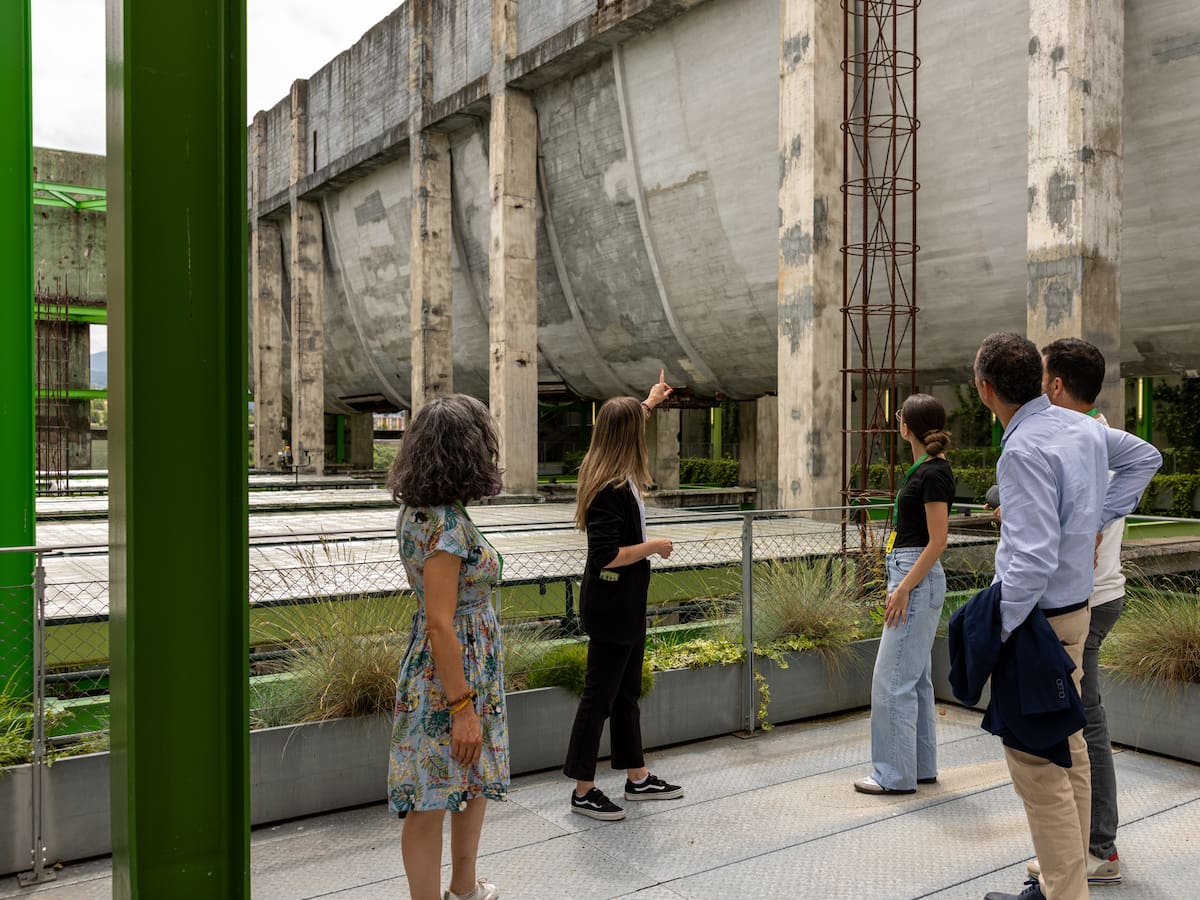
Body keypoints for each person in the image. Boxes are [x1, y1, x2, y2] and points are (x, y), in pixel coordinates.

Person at [972, 334, 1160, 900]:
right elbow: (1145, 456)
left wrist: (993, 633)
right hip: (1075, 613)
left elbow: (1028, 562)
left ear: (985, 391)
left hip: (1039, 623)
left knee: (1039, 768)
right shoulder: (1082, 429)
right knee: (1071, 749)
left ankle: (1064, 891)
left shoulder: (1024, 448)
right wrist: (1094, 517)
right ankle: (1065, 880)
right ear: (1038, 378)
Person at [386, 394, 508, 900]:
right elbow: (440, 621)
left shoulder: (418, 512)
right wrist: (462, 708)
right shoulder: (449, 527)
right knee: (431, 797)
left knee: (464, 782)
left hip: (448, 664)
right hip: (453, 675)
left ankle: (463, 885)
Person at [1020, 338, 1127, 886]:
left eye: (1042, 376)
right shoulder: (1087, 438)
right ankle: (1086, 848)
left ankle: (1095, 850)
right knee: (1081, 726)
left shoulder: (1090, 440)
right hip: (1093, 595)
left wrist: (1095, 523)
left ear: (1055, 384)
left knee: (1082, 727)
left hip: (1088, 599)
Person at [563, 371, 685, 821]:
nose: (643, 434)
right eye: (639, 427)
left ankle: (637, 777)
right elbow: (606, 555)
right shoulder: (608, 490)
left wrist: (650, 401)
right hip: (612, 608)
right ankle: (583, 789)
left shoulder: (617, 474)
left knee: (626, 693)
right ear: (626, 439)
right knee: (599, 697)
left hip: (626, 606)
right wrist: (655, 547)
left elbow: (630, 417)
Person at [854, 394, 955, 795]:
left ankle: (892, 775)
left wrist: (902, 590)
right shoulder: (927, 468)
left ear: (906, 426)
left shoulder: (932, 473)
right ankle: (919, 767)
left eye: (899, 417)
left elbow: (938, 540)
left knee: (890, 680)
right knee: (915, 679)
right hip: (912, 573)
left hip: (915, 576)